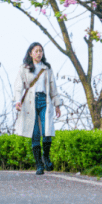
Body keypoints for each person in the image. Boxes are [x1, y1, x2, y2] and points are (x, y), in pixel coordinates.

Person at [13, 42, 62, 175]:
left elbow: (53, 87)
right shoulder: (24, 68)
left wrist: (57, 104)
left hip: (44, 100)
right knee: (34, 133)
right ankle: (39, 165)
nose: (39, 53)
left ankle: (46, 157)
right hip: (30, 102)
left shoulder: (47, 68)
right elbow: (18, 86)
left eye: (41, 51)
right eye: (36, 51)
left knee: (47, 131)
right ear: (30, 53)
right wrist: (17, 101)